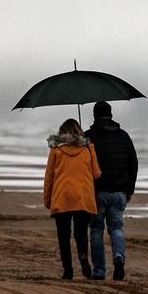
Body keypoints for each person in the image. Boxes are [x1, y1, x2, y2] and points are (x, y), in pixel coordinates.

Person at [85, 101, 138, 281]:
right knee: (116, 227)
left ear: (94, 115)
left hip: (97, 191)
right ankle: (119, 257)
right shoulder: (123, 136)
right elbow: (133, 163)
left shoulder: (89, 137)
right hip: (119, 191)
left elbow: (83, 166)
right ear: (111, 114)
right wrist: (130, 189)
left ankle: (99, 271)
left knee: (96, 230)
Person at [42, 118, 102, 280]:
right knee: (81, 234)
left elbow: (49, 177)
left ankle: (68, 270)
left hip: (62, 196)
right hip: (82, 197)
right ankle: (83, 259)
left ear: (62, 133)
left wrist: (47, 200)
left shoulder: (56, 150)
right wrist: (91, 150)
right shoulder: (87, 149)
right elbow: (96, 173)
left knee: (63, 235)